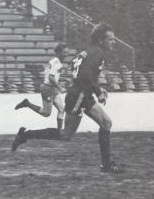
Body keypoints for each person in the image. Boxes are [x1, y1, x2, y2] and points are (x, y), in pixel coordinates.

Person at [11, 22, 124, 174]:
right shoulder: (98, 53)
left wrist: (95, 88)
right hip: (79, 96)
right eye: (110, 39)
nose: (114, 41)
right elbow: (84, 75)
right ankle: (25, 135)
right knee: (65, 135)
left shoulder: (88, 51)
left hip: (83, 94)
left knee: (106, 123)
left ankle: (106, 165)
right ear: (100, 40)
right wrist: (98, 91)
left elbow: (77, 69)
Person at [14, 43, 68, 130]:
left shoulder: (55, 61)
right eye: (64, 53)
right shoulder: (56, 62)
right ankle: (27, 103)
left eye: (67, 53)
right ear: (58, 52)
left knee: (61, 110)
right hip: (48, 89)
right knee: (46, 113)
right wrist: (60, 87)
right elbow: (51, 77)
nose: (66, 55)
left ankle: (59, 132)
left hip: (53, 88)